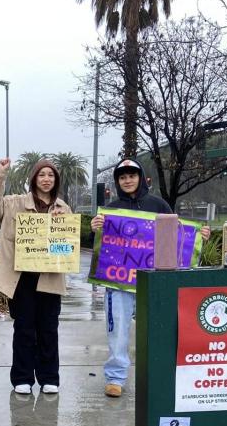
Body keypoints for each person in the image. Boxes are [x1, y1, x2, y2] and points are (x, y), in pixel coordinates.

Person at [90, 158, 210, 398]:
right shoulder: (111, 210)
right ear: (117, 181)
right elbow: (100, 246)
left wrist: (198, 235)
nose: (127, 180)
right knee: (118, 330)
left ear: (141, 178)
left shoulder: (159, 204)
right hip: (119, 281)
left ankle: (160, 375)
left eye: (131, 175)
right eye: (122, 177)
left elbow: (177, 235)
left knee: (160, 329)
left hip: (154, 282)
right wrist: (95, 228)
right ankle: (116, 378)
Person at [0, 157, 71, 395]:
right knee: (24, 328)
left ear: (56, 180)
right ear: (33, 178)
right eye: (42, 175)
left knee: (49, 328)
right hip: (21, 278)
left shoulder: (63, 208)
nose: (46, 179)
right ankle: (22, 377)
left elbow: (68, 246)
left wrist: (60, 230)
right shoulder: (13, 203)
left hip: (50, 277)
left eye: (51, 175)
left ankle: (49, 377)